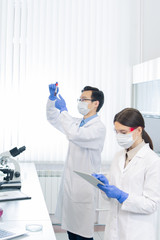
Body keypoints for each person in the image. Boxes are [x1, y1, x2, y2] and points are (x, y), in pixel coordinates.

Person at [46, 83, 106, 240]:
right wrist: (52, 99)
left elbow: (75, 135)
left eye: (84, 99)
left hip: (83, 190)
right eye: (80, 99)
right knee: (71, 233)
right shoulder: (78, 123)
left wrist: (64, 111)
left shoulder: (98, 128)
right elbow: (53, 119)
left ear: (95, 103)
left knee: (83, 236)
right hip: (71, 188)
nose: (80, 102)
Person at [93, 108, 160, 240]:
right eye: (116, 132)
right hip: (114, 231)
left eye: (123, 132)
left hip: (137, 232)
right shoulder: (119, 156)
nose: (119, 136)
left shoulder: (153, 161)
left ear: (139, 130)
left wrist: (122, 196)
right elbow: (112, 197)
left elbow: (152, 204)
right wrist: (105, 188)